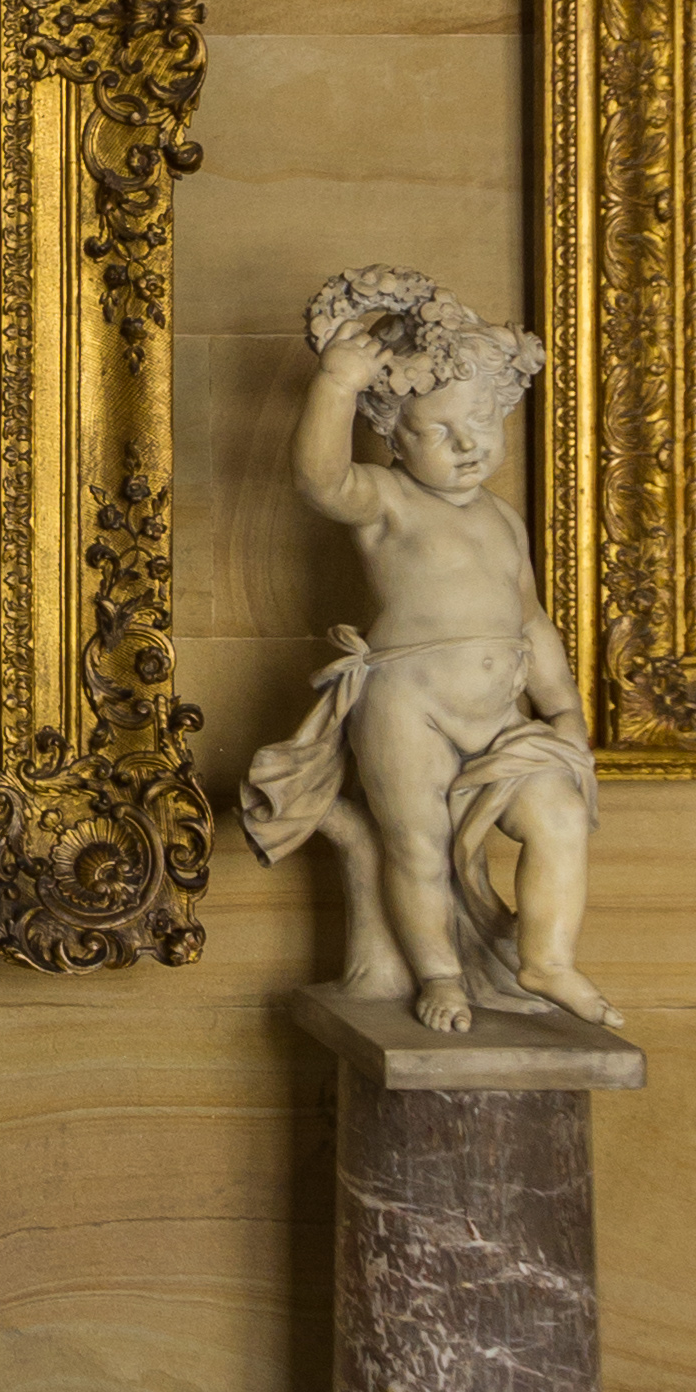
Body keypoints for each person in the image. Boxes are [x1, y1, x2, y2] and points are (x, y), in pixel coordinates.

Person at [240, 268, 620, 1036]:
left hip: (500, 712)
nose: (469, 444)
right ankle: (439, 971)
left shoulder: (504, 521)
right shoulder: (389, 500)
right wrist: (337, 384)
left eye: (482, 423)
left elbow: (531, 621)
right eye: (439, 431)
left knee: (558, 813)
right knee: (418, 845)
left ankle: (545, 955)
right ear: (392, 435)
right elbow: (319, 480)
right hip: (407, 704)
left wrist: (564, 709)